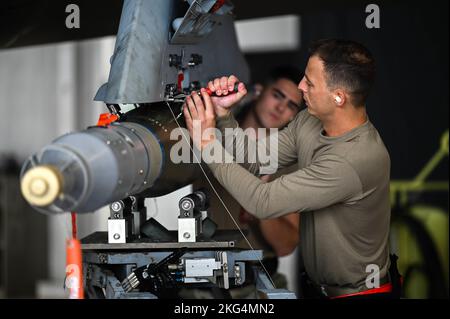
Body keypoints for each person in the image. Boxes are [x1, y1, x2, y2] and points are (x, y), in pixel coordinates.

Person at [183, 39, 400, 299]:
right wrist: (224, 116)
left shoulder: (355, 159)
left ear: (339, 96)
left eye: (309, 83)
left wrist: (207, 142)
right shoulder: (309, 120)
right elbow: (256, 158)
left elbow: (262, 201)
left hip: (360, 295)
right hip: (319, 289)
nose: (300, 87)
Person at [181, 66, 304, 299]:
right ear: (259, 90)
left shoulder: (289, 164)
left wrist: (260, 203)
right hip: (200, 285)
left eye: (291, 105)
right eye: (277, 95)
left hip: (256, 286)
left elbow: (286, 245)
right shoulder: (207, 130)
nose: (280, 108)